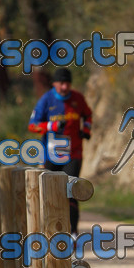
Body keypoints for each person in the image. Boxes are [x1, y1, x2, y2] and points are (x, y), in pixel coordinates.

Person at [28, 68, 92, 235]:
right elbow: (32, 125)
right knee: (50, 193)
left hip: (73, 154)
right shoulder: (46, 100)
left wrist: (86, 129)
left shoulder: (78, 98)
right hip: (51, 155)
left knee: (71, 191)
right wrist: (51, 126)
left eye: (67, 83)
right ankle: (51, 231)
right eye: (61, 83)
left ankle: (73, 233)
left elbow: (88, 115)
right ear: (54, 83)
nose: (64, 87)